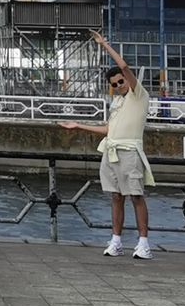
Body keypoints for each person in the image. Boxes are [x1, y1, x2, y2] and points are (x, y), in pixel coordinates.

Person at [61, 32, 153, 258]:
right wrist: (79, 126)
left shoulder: (138, 95)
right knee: (115, 196)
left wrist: (105, 45)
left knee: (136, 196)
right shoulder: (118, 101)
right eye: (115, 84)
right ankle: (116, 240)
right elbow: (108, 130)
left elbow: (124, 66)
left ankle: (143, 243)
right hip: (111, 151)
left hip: (130, 151)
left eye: (121, 81)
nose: (120, 85)